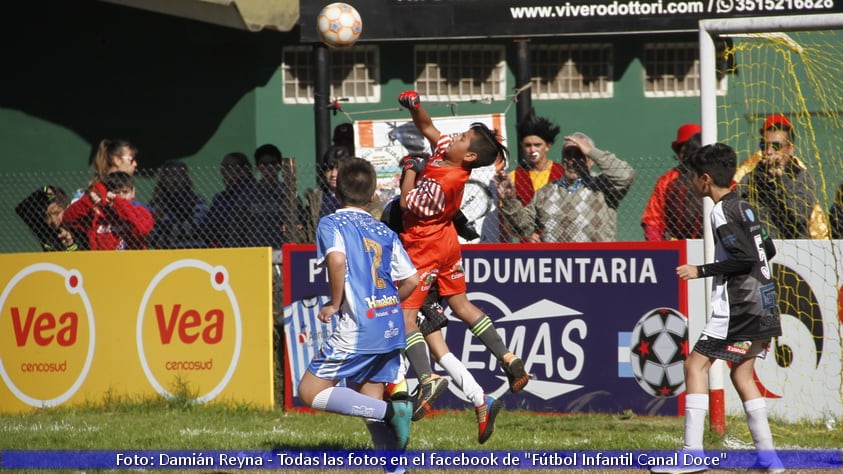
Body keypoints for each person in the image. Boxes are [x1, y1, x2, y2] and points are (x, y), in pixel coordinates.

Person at [395, 89, 530, 417]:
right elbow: (428, 128)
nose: (454, 136)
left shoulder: (447, 183)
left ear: (468, 157)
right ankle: (509, 358)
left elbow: (405, 202)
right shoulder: (447, 151)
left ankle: (427, 379)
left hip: (424, 245)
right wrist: (416, 107)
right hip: (447, 241)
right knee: (460, 304)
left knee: (406, 317)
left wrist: (410, 168)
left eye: (463, 137)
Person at [659, 143, 783, 474]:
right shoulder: (746, 207)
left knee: (694, 366)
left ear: (704, 179)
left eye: (691, 177)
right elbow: (766, 249)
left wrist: (699, 270)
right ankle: (769, 459)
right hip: (766, 302)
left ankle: (691, 454)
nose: (689, 183)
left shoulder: (720, 211)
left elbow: (743, 258)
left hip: (740, 307)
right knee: (742, 373)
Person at [297, 157, 416, 458]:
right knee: (368, 403)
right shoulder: (384, 231)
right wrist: (387, 304)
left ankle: (394, 413)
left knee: (310, 392)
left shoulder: (331, 223)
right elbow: (412, 280)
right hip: (389, 323)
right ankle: (395, 466)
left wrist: (334, 304)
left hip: (359, 327)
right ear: (374, 194)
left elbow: (337, 261)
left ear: (336, 190)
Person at [497, 132, 635, 242]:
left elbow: (625, 175)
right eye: (568, 155)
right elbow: (523, 228)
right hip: (557, 266)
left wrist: (591, 151)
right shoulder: (546, 192)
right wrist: (509, 199)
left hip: (597, 265)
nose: (572, 161)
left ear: (591, 160)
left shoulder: (603, 187)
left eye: (579, 155)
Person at [735, 113, 827, 239]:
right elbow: (736, 207)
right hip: (761, 249)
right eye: (764, 145)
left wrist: (780, 180)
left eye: (776, 146)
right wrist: (757, 176)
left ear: (790, 149)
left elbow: (798, 215)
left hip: (793, 249)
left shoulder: (802, 177)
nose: (768, 151)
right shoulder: (751, 177)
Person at [500, 113, 565, 242]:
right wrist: (525, 235)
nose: (532, 150)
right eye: (528, 145)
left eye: (537, 145)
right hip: (530, 249)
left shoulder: (563, 173)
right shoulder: (513, 178)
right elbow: (508, 223)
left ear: (548, 146)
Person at [62, 171, 154, 250]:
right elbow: (68, 218)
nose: (121, 196)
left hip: (132, 263)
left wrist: (117, 203)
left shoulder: (139, 211)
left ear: (133, 192)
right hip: (103, 264)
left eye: (125, 192)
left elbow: (143, 229)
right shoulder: (99, 214)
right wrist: (90, 199)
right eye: (116, 192)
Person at [642, 124, 704, 240]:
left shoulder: (715, 174)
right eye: (683, 151)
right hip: (677, 245)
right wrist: (660, 252)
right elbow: (652, 222)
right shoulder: (667, 180)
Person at [147, 160, 209, 249]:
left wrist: (163, 226)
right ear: (162, 179)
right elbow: (151, 235)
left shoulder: (197, 201)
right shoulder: (155, 204)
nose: (174, 179)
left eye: (179, 175)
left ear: (186, 178)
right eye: (169, 175)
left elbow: (196, 226)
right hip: (168, 251)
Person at [202, 152, 259, 248]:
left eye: (228, 167)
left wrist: (225, 227)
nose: (224, 171)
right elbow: (206, 226)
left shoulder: (252, 192)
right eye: (222, 168)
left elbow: (236, 222)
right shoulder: (220, 198)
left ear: (243, 170)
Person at [253, 143, 305, 246]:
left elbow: (301, 221)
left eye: (273, 163)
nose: (269, 167)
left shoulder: (289, 193)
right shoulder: (250, 195)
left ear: (279, 166)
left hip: (283, 246)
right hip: (256, 248)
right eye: (264, 164)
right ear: (258, 167)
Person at [303, 145, 353, 241]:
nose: (333, 174)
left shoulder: (359, 196)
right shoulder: (315, 198)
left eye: (338, 169)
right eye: (329, 169)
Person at [15, 185, 87, 251]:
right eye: (47, 216)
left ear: (67, 208)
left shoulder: (79, 228)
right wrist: (44, 190)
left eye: (57, 213)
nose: (53, 221)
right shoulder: (45, 230)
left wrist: (70, 245)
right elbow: (21, 209)